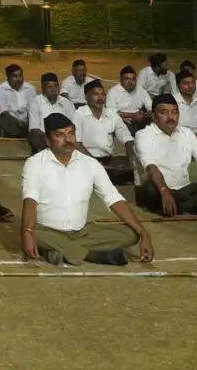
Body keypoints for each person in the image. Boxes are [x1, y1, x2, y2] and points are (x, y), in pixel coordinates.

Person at [20, 113, 154, 267]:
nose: (68, 140)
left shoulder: (90, 164)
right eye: (60, 135)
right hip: (46, 231)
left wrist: (143, 233)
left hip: (82, 232)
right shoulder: (34, 164)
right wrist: (28, 232)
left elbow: (114, 199)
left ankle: (61, 252)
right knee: (30, 233)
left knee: (131, 233)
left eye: (71, 133)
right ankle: (93, 255)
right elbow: (30, 200)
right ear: (47, 140)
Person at [72, 79, 135, 186]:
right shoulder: (79, 114)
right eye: (96, 94)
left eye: (103, 94)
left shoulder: (112, 114)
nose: (100, 98)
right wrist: (98, 165)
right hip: (86, 160)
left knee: (134, 168)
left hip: (107, 160)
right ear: (86, 97)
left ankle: (108, 174)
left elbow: (128, 140)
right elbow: (76, 145)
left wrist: (131, 163)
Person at [27, 73, 77, 155]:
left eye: (56, 86)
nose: (53, 89)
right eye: (49, 87)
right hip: (44, 142)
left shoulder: (67, 103)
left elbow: (74, 126)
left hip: (65, 140)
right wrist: (51, 140)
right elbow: (34, 129)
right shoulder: (36, 102)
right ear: (43, 88)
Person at [0, 64, 35, 139]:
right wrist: (18, 122)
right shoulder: (1, 89)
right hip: (10, 119)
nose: (19, 79)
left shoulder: (30, 88)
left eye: (20, 76)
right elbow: (3, 112)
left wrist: (29, 122)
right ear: (8, 78)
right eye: (15, 76)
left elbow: (32, 108)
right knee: (6, 122)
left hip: (26, 120)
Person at [106, 66, 151, 133]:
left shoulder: (141, 90)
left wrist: (147, 113)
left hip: (140, 118)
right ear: (121, 80)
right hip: (122, 120)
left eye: (133, 79)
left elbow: (150, 104)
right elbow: (111, 112)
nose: (130, 82)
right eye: (126, 79)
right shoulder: (113, 92)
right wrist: (133, 115)